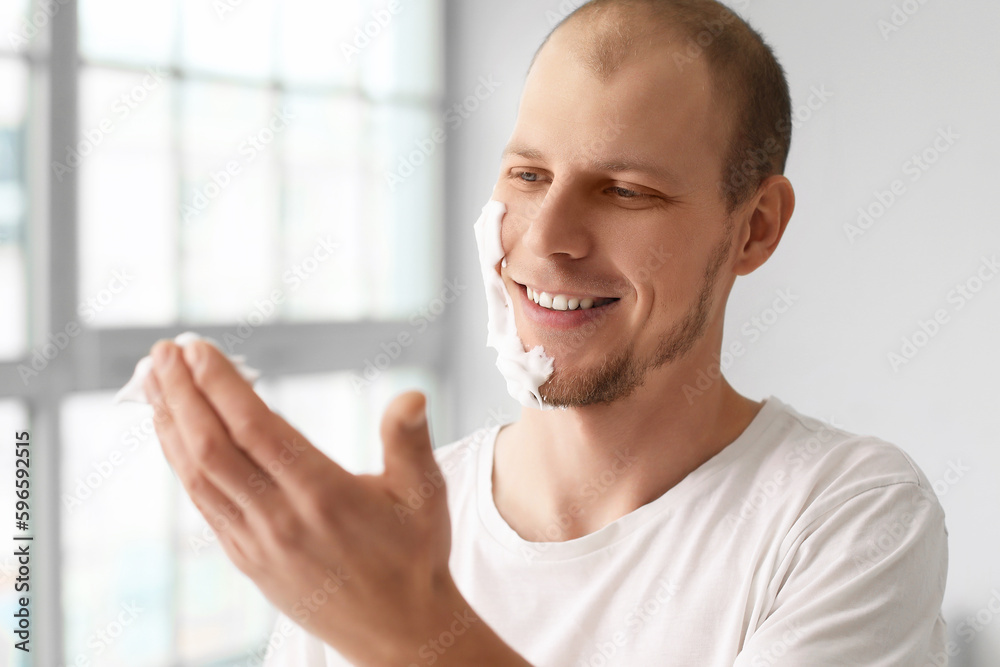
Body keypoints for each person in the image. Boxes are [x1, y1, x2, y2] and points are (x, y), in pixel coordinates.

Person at [142, 1, 948, 665]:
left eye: (625, 191)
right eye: (528, 176)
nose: (546, 237)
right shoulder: (380, 542)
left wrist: (410, 632)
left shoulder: (845, 514)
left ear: (755, 228)